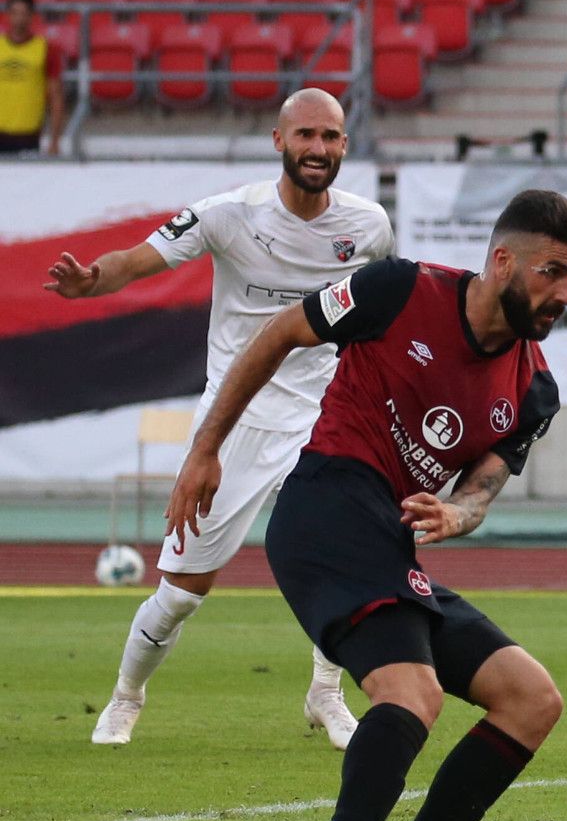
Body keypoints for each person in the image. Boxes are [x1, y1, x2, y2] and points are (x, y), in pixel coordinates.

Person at [164, 189, 567, 821]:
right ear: (502, 261)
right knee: (413, 693)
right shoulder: (398, 289)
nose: (566, 294)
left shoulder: (534, 386)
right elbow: (274, 336)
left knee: (531, 698)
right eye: (552, 272)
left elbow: (483, 485)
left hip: (388, 542)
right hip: (326, 508)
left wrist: (459, 511)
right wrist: (205, 452)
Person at [43, 88, 392, 749]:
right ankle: (126, 696)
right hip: (235, 423)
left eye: (331, 137)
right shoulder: (230, 215)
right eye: (306, 136)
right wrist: (94, 279)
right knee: (182, 591)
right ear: (278, 141)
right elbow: (139, 258)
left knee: (355, 559)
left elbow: (381, 310)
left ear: (345, 146)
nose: (317, 148)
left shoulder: (368, 226)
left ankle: (326, 692)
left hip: (325, 419)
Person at [0, 0, 64, 156]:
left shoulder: (45, 48)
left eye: (24, 13)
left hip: (28, 135)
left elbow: (55, 96)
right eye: (14, 13)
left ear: (31, 16)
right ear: (7, 15)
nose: (19, 18)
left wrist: (55, 140)